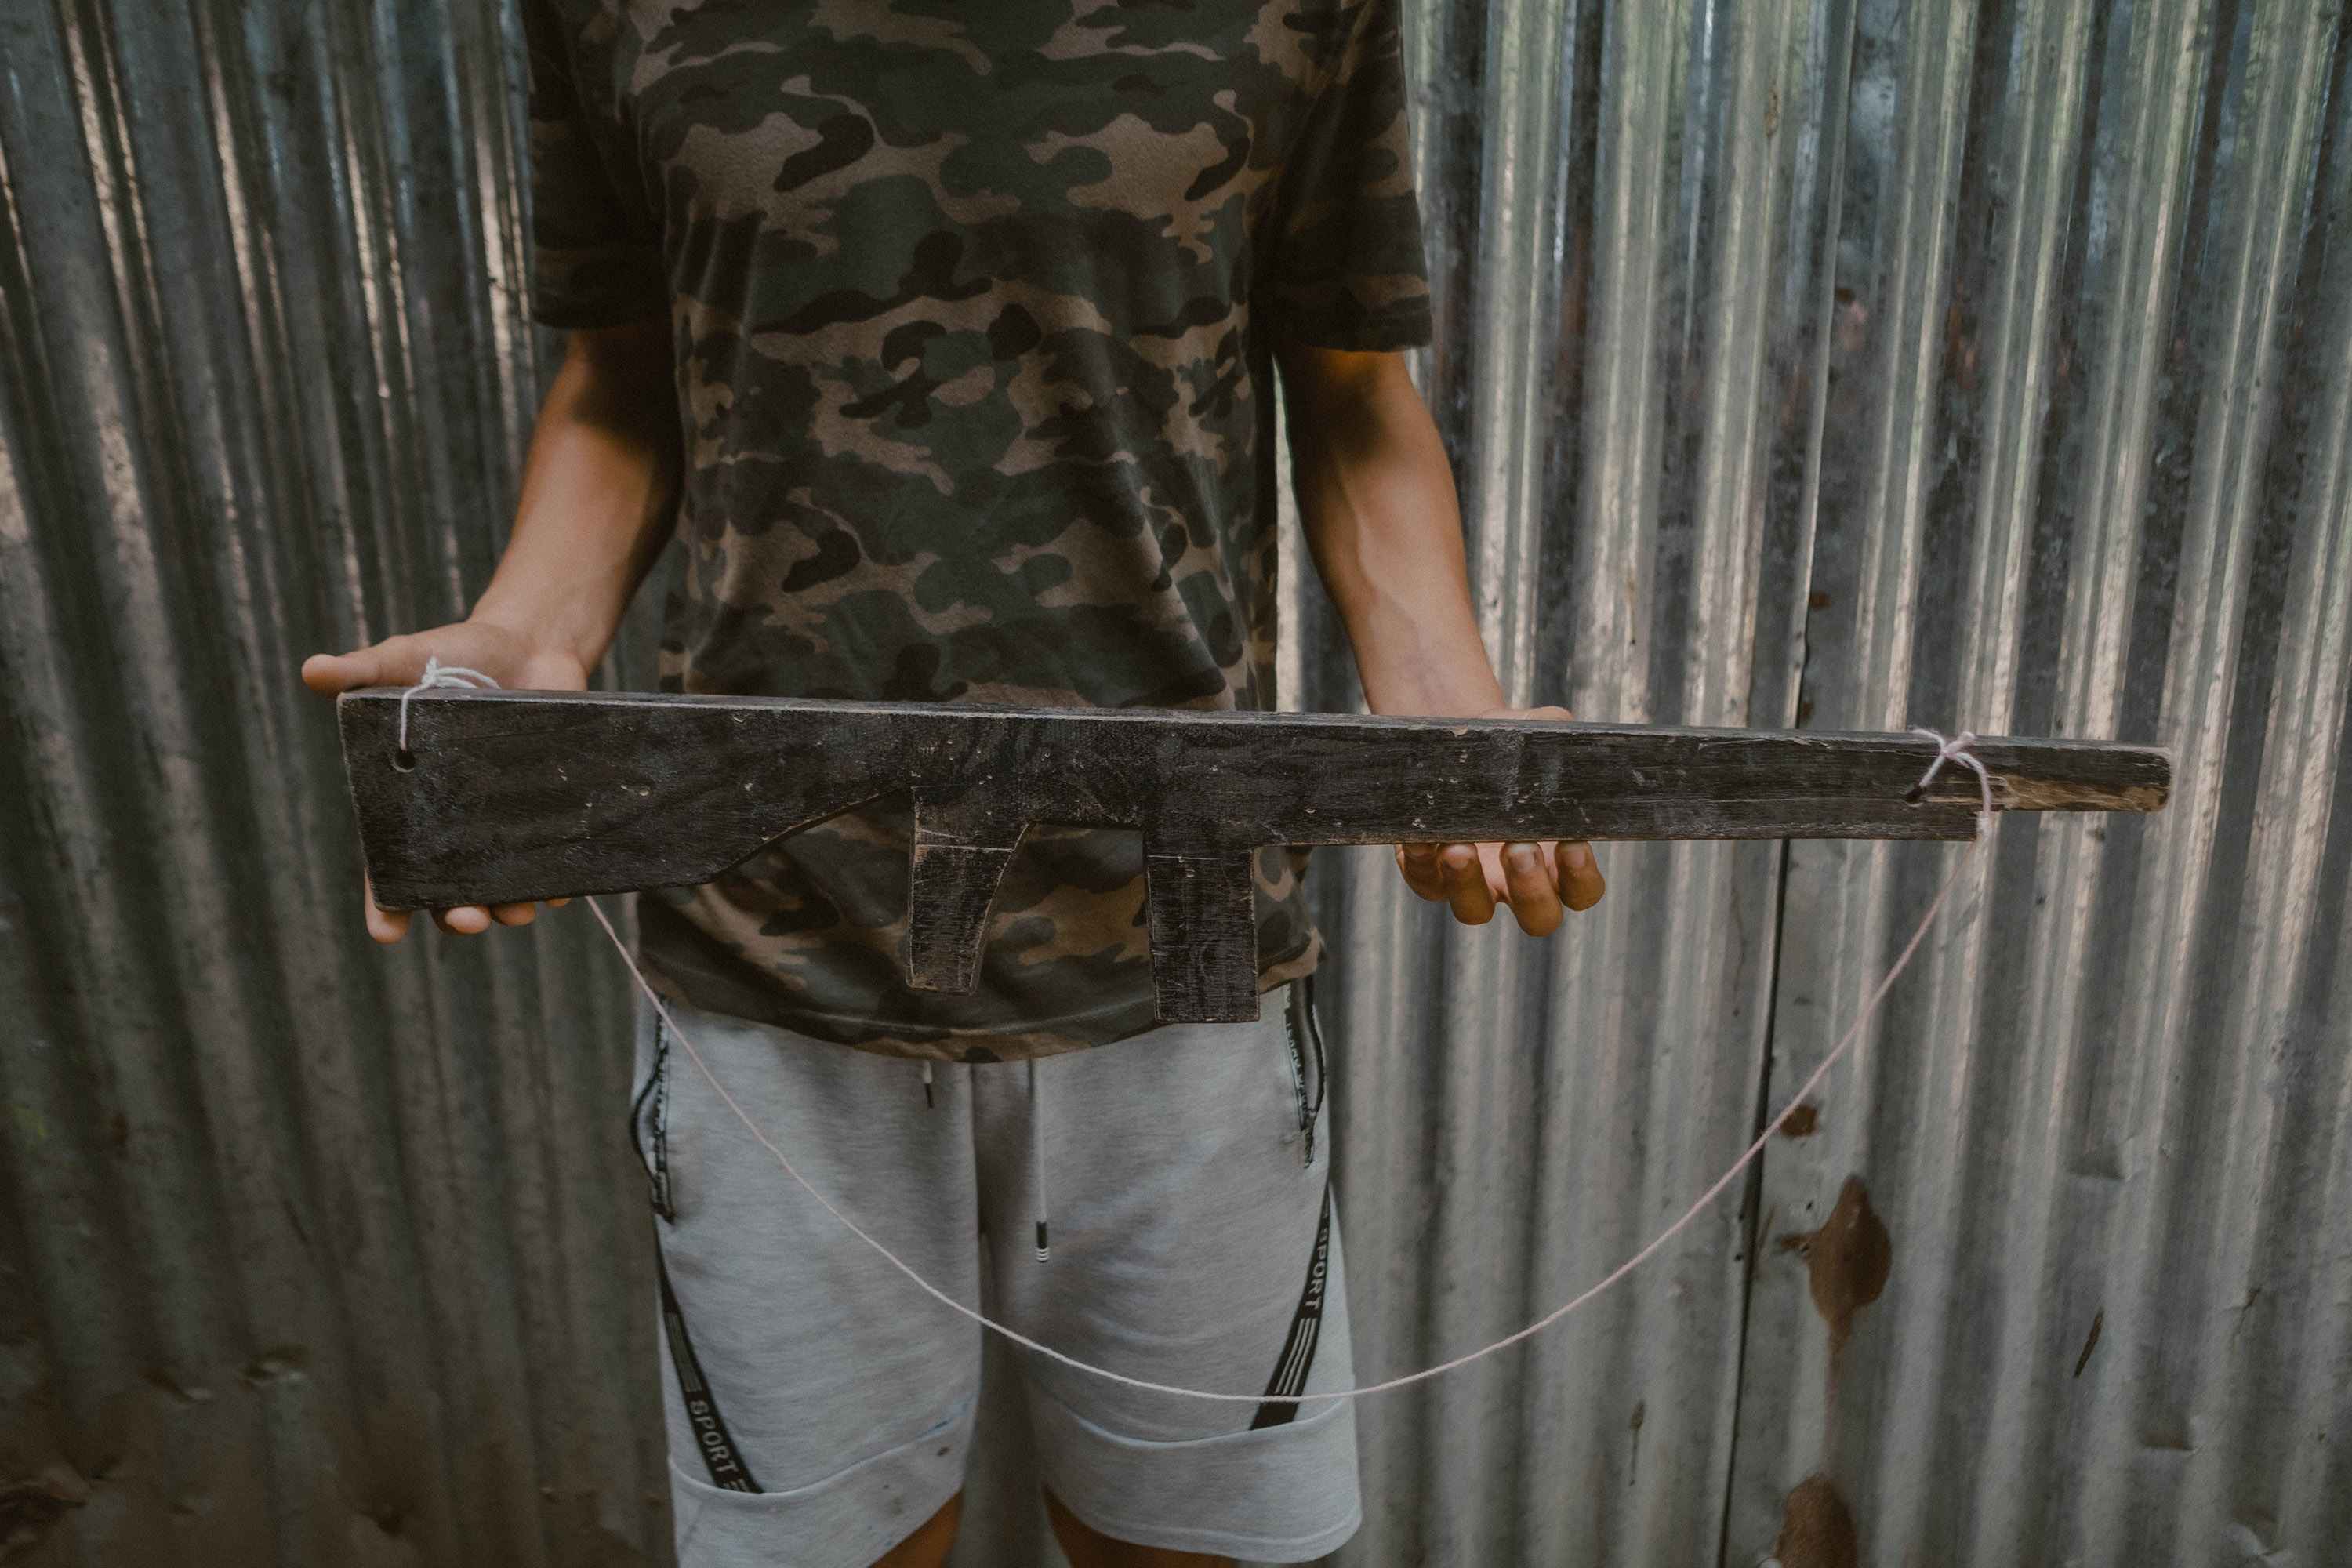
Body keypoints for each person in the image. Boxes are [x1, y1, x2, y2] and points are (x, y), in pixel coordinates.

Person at [303, 1, 1605, 1563]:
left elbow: (1351, 396)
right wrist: (529, 628)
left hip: (1179, 959)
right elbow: (623, 376)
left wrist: (1448, 714)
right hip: (776, 972)